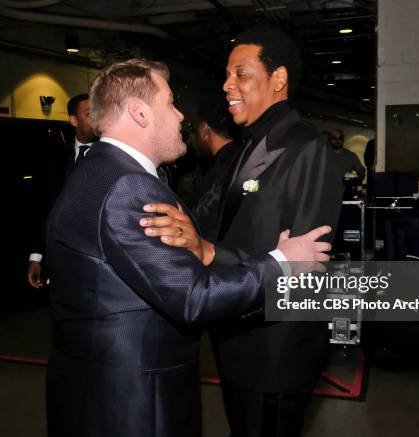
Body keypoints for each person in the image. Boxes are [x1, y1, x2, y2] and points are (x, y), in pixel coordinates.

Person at [44, 58, 334, 437]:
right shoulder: (128, 186)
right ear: (139, 113)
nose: (181, 116)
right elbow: (192, 297)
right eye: (170, 103)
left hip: (94, 386)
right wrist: (282, 261)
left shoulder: (98, 169)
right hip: (132, 399)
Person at [141, 26, 343, 436]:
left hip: (275, 351)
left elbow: (305, 266)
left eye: (241, 73)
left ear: (279, 79)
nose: (227, 84)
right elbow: (236, 230)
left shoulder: (306, 148)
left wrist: (210, 252)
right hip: (240, 339)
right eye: (227, 74)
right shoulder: (251, 144)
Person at [26, 93, 97, 288]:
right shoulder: (56, 159)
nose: (97, 118)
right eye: (90, 113)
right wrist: (36, 256)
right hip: (62, 267)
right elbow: (47, 208)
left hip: (98, 268)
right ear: (74, 120)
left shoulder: (111, 158)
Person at [189, 93, 241, 239]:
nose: (193, 136)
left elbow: (200, 218)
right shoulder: (236, 156)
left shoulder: (227, 164)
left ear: (204, 129)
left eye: (195, 129)